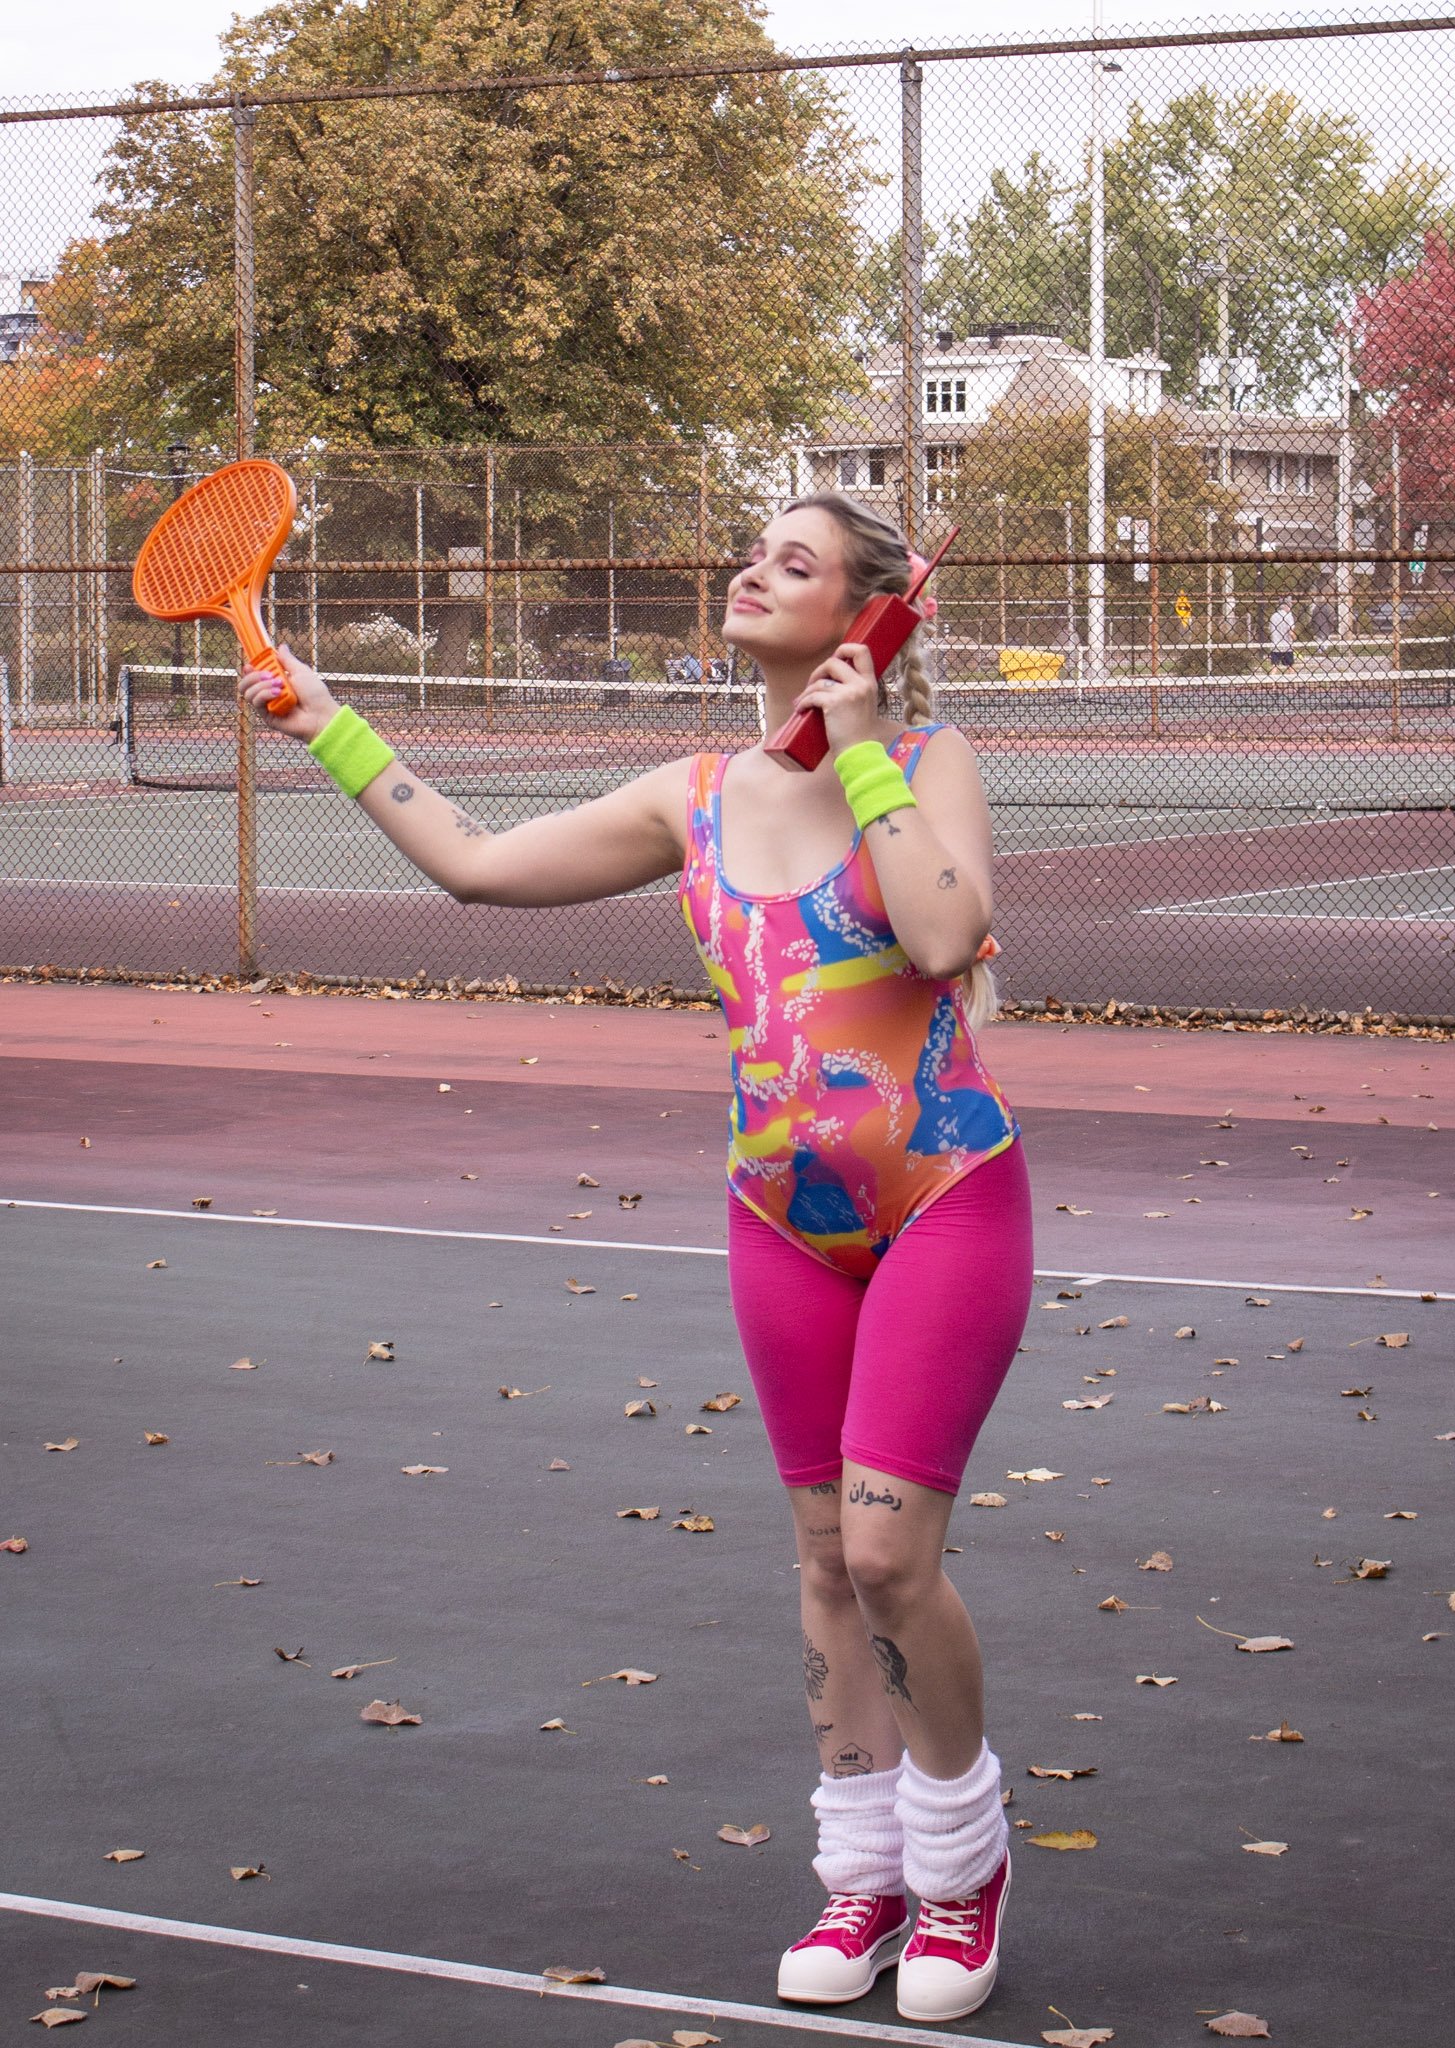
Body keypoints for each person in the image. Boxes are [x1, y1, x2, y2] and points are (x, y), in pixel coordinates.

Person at [239, 492, 1032, 2025]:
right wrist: (321, 719)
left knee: (886, 1559)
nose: (754, 569)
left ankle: (957, 1866)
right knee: (816, 1561)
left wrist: (859, 747)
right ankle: (859, 1877)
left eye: (795, 562)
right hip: (776, 1223)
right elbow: (471, 864)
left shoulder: (927, 765)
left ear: (867, 617)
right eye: (756, 549)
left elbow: (945, 940)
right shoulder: (687, 795)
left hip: (942, 1200)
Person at [1267, 596, 1295, 669]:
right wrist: (1295, 638)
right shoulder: (1288, 616)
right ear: (1286, 606)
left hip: (1275, 645)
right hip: (1287, 646)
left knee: (1274, 666)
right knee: (1290, 667)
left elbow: (1271, 630)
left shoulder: (1273, 616)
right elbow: (1291, 632)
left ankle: (1271, 679)